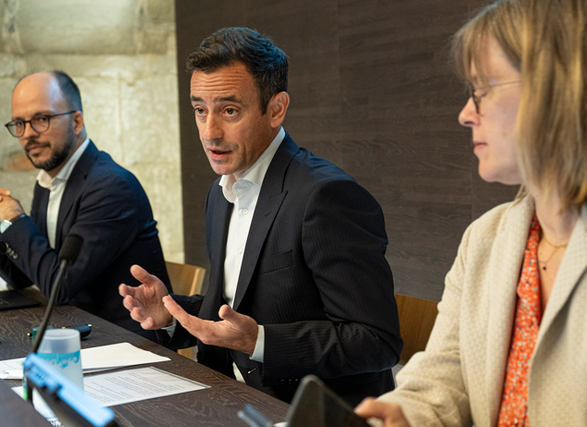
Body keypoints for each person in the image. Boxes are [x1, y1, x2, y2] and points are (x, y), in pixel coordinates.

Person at [355, 0, 587, 425]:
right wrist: (405, 415)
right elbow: (442, 379)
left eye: (482, 91)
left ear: (564, 89)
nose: (466, 114)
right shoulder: (486, 236)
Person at [119, 27, 403, 406]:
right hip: (228, 398)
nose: (209, 132)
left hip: (303, 410)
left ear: (276, 109)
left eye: (229, 111)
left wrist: (260, 342)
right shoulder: (220, 193)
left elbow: (376, 342)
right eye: (200, 110)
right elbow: (237, 310)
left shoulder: (326, 196)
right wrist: (171, 312)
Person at [0, 71, 171, 340]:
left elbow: (59, 285)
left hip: (123, 340)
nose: (28, 134)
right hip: (72, 328)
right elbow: (23, 278)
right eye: (19, 123)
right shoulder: (47, 181)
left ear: (76, 121)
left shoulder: (110, 186)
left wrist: (16, 220)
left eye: (42, 119)